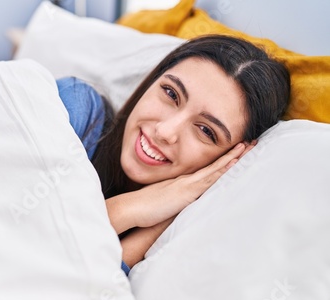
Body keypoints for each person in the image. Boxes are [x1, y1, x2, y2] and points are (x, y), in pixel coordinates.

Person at [57, 35, 291, 275]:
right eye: (171, 93)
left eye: (205, 131)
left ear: (229, 159)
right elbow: (28, 239)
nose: (165, 132)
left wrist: (156, 224)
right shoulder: (75, 109)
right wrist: (126, 209)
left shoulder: (180, 238)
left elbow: (74, 297)